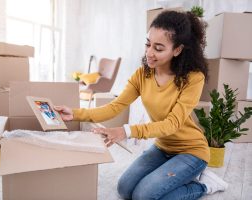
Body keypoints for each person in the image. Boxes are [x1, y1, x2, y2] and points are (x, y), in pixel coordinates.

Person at [54, 10, 228, 200]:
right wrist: (75, 113)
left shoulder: (193, 78)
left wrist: (125, 131)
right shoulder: (142, 75)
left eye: (159, 48)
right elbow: (114, 107)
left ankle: (204, 185)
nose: (149, 53)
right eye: (148, 44)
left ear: (177, 50)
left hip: (191, 152)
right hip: (163, 148)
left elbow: (172, 124)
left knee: (144, 196)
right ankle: (175, 176)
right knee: (124, 189)